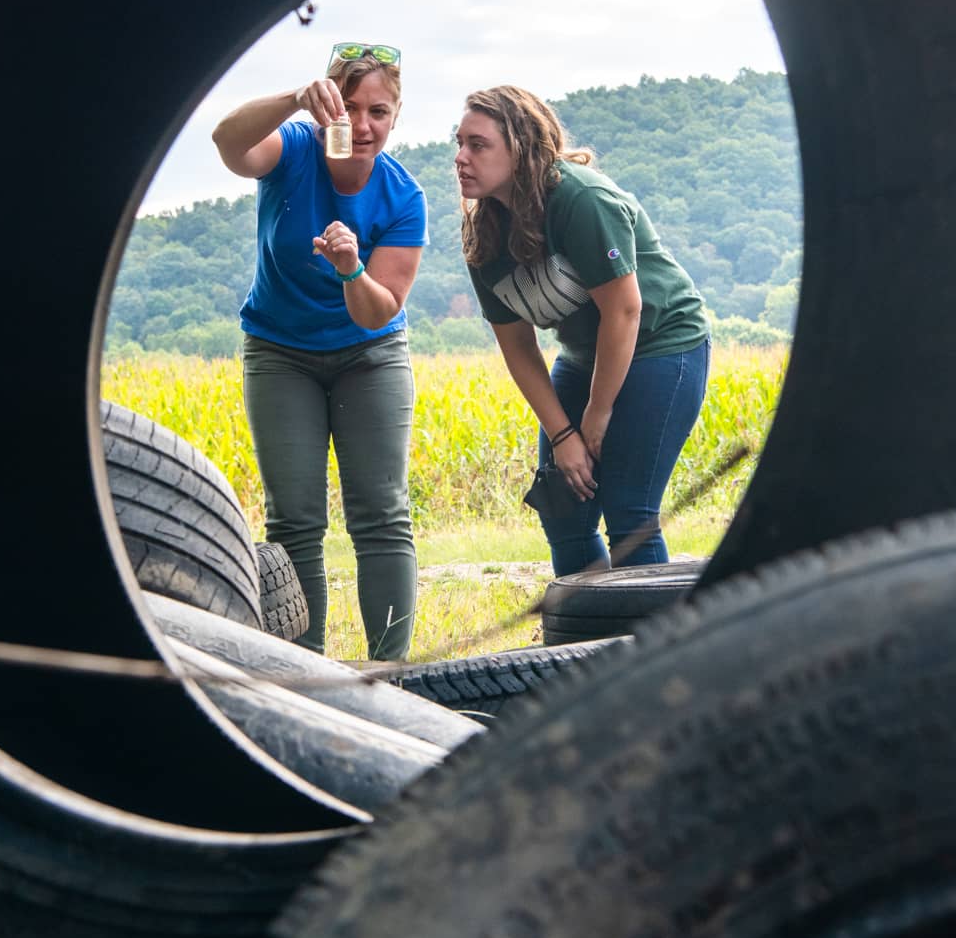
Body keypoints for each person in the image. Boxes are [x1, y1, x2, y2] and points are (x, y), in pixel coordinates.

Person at [212, 43, 425, 660]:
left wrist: (351, 268)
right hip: (280, 352)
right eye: (349, 108)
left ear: (396, 115)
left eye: (378, 112)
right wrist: (292, 100)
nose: (362, 126)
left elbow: (376, 309)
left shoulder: (402, 197)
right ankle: (305, 673)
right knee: (295, 521)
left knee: (381, 514)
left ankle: (392, 672)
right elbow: (229, 144)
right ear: (327, 106)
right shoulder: (296, 147)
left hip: (371, 354)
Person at [455, 85, 710, 576]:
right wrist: (563, 434)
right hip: (582, 357)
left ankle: (645, 644)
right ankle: (581, 645)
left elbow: (625, 312)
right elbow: (518, 348)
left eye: (478, 144)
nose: (461, 158)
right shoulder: (483, 234)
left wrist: (596, 415)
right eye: (459, 143)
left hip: (662, 345)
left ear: (521, 147)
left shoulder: (580, 198)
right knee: (563, 509)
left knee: (630, 512)